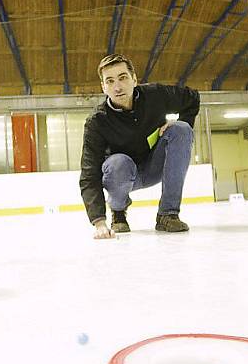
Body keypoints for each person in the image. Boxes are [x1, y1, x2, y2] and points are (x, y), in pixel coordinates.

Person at [79, 53, 200, 239]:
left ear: (134, 79)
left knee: (181, 129)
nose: (117, 87)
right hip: (122, 175)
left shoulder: (155, 96)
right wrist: (99, 222)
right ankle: (118, 213)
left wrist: (182, 122)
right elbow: (89, 174)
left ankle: (167, 214)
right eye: (110, 81)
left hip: (154, 166)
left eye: (123, 78)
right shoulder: (97, 122)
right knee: (118, 162)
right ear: (103, 87)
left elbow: (192, 98)